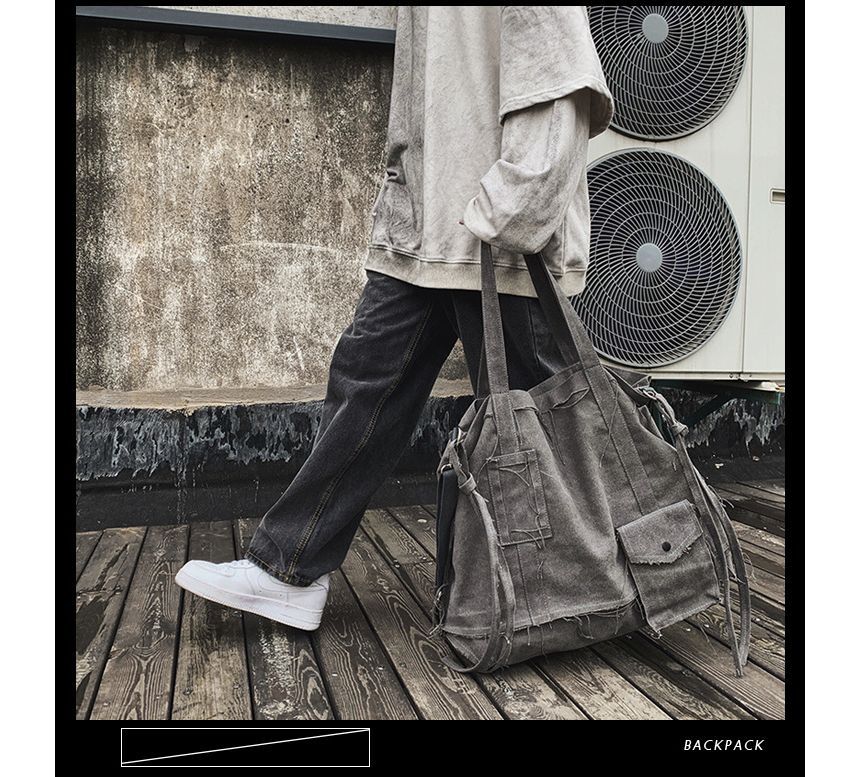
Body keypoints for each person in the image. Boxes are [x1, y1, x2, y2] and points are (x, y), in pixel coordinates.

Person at [175, 6, 613, 630]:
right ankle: (289, 569)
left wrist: (516, 203)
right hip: (424, 231)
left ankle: (603, 582)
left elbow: (561, 75)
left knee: (539, 422)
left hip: (499, 237)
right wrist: (401, 194)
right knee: (365, 379)